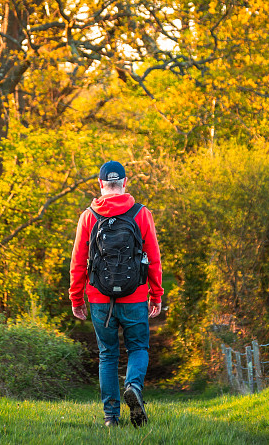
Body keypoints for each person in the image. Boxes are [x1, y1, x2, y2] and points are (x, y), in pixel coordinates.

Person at [69, 160, 163, 428]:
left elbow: (77, 262)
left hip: (99, 298)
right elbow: (153, 258)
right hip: (135, 296)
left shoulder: (89, 216)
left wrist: (77, 298)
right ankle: (133, 386)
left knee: (108, 354)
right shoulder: (141, 214)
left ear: (100, 184)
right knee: (138, 347)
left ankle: (111, 417)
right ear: (125, 182)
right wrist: (156, 295)